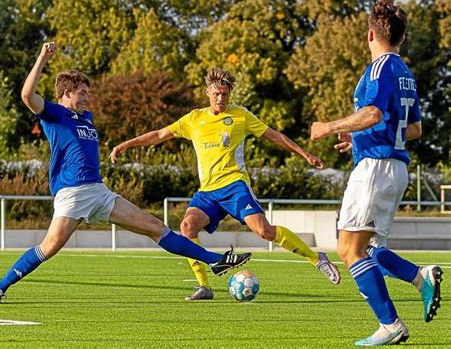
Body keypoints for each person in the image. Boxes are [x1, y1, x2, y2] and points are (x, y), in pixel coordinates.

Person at [0, 42, 252, 305]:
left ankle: (215, 260)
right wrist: (42, 57)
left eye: (87, 92)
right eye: (82, 92)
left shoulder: (86, 117)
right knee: (48, 248)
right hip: (72, 194)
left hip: (99, 191)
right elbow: (26, 96)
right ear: (66, 93)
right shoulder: (54, 113)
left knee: (155, 228)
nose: (87, 97)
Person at [110, 67, 341, 301]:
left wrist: (306, 155)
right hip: (207, 192)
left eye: (225, 94)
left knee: (264, 231)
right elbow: (159, 135)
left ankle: (316, 258)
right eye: (216, 94)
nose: (220, 98)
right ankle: (204, 287)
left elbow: (274, 135)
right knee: (188, 226)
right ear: (207, 93)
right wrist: (127, 144)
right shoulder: (193, 119)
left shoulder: (241, 116)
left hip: (234, 186)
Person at [310, 0, 443, 346]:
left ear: (371, 34)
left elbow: (372, 113)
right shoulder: (405, 74)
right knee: (366, 250)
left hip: (375, 168)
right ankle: (418, 279)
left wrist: (329, 125)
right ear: (400, 36)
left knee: (348, 249)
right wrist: (356, 135)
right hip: (393, 167)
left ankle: (393, 320)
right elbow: (413, 129)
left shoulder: (381, 68)